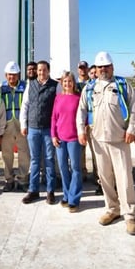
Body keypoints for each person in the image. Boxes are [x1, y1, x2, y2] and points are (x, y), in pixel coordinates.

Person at [76, 51, 135, 235]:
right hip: (97, 140)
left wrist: (131, 130)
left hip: (119, 139)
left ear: (112, 67)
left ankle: (129, 215)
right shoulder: (89, 88)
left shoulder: (122, 85)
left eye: (106, 66)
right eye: (99, 67)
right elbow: (81, 111)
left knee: (124, 178)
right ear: (95, 69)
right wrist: (81, 131)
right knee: (104, 178)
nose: (103, 69)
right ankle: (113, 209)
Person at [20, 60, 58, 204]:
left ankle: (50, 191)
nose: (41, 72)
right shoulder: (30, 85)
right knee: (35, 160)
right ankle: (33, 190)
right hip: (33, 129)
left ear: (48, 71)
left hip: (48, 129)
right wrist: (24, 124)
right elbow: (25, 106)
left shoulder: (55, 86)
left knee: (49, 160)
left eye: (44, 70)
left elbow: (58, 107)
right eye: (39, 70)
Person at [0, 61, 29, 193]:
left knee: (24, 154)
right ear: (5, 75)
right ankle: (8, 180)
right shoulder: (0, 89)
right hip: (7, 126)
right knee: (7, 155)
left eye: (14, 75)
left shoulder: (25, 86)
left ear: (18, 75)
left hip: (22, 125)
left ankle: (22, 180)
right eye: (10, 75)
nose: (12, 77)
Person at [51, 71, 82, 212]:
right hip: (60, 138)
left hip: (74, 138)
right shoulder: (58, 98)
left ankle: (74, 199)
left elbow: (83, 117)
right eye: (65, 81)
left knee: (75, 168)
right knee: (63, 168)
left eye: (69, 81)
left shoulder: (78, 98)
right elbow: (54, 118)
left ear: (73, 83)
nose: (67, 84)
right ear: (61, 83)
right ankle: (66, 195)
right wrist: (53, 135)